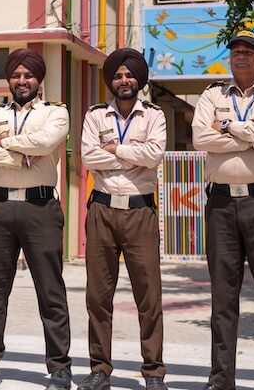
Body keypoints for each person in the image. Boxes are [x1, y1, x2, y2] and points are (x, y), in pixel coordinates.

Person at [0, 48, 72, 390]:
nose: (22, 81)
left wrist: (5, 144)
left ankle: (60, 368)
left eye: (28, 75)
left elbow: (47, 141)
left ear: (39, 80)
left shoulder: (56, 113)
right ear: (9, 80)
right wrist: (20, 156)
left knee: (50, 291)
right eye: (16, 75)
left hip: (41, 209)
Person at [191, 28, 254, 390]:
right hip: (220, 203)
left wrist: (231, 127)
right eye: (236, 50)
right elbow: (200, 138)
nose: (241, 56)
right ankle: (221, 380)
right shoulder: (210, 94)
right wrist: (253, 135)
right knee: (223, 298)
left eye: (249, 51)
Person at [78, 48, 168, 390]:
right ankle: (100, 368)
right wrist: (132, 156)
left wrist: (114, 150)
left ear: (139, 80)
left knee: (149, 296)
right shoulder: (95, 115)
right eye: (117, 76)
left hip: (139, 212)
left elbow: (154, 155)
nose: (124, 80)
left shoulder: (154, 116)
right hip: (101, 210)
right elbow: (89, 155)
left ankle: (154, 371)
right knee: (98, 296)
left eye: (129, 75)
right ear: (111, 81)